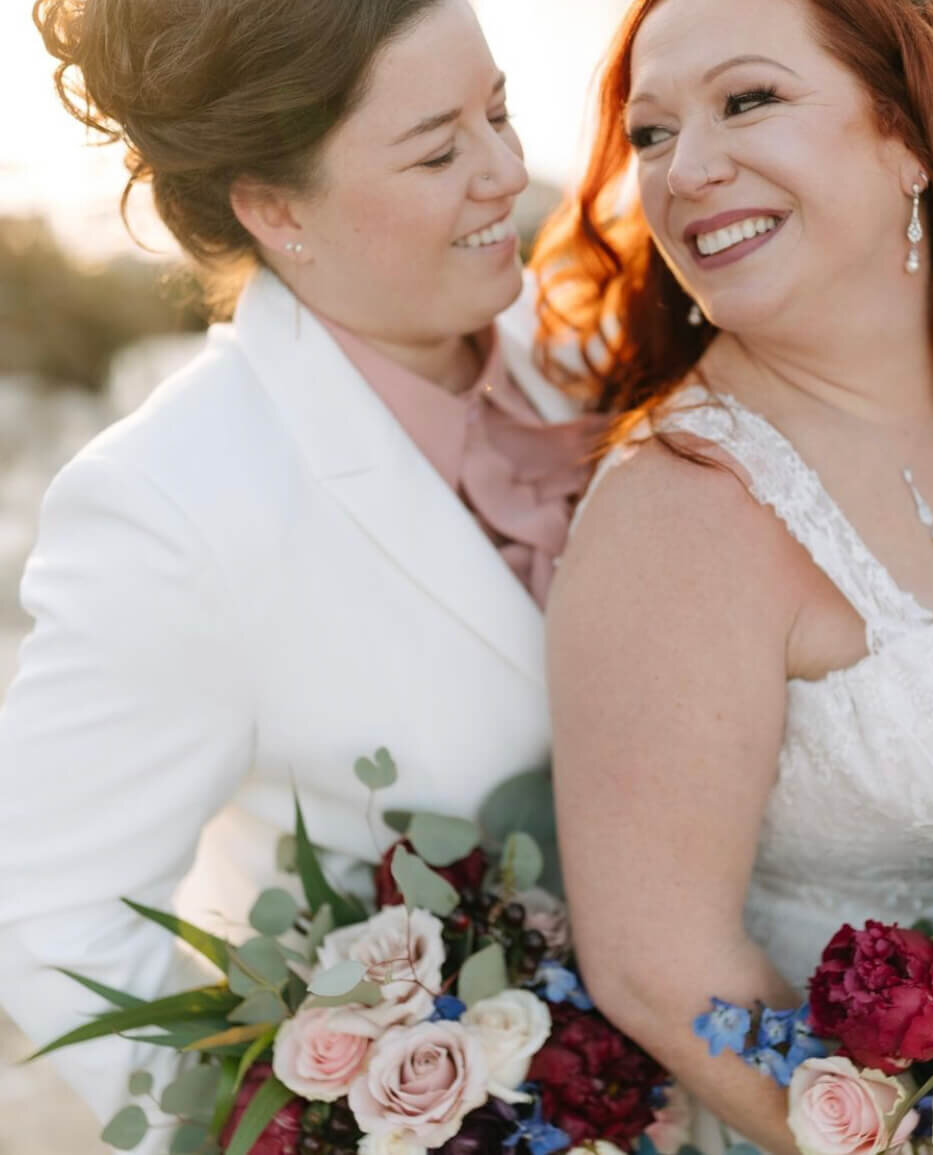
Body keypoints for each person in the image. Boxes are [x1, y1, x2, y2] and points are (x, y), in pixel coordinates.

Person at [531, 0, 933, 1148]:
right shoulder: (682, 508)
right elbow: (658, 966)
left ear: (907, 134)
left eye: (748, 100)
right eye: (654, 135)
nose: (687, 170)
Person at [0, 0, 600, 1146]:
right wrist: (286, 1133)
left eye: (500, 111)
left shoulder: (586, 365)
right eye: (437, 149)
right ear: (278, 211)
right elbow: (46, 915)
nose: (507, 172)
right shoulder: (172, 501)